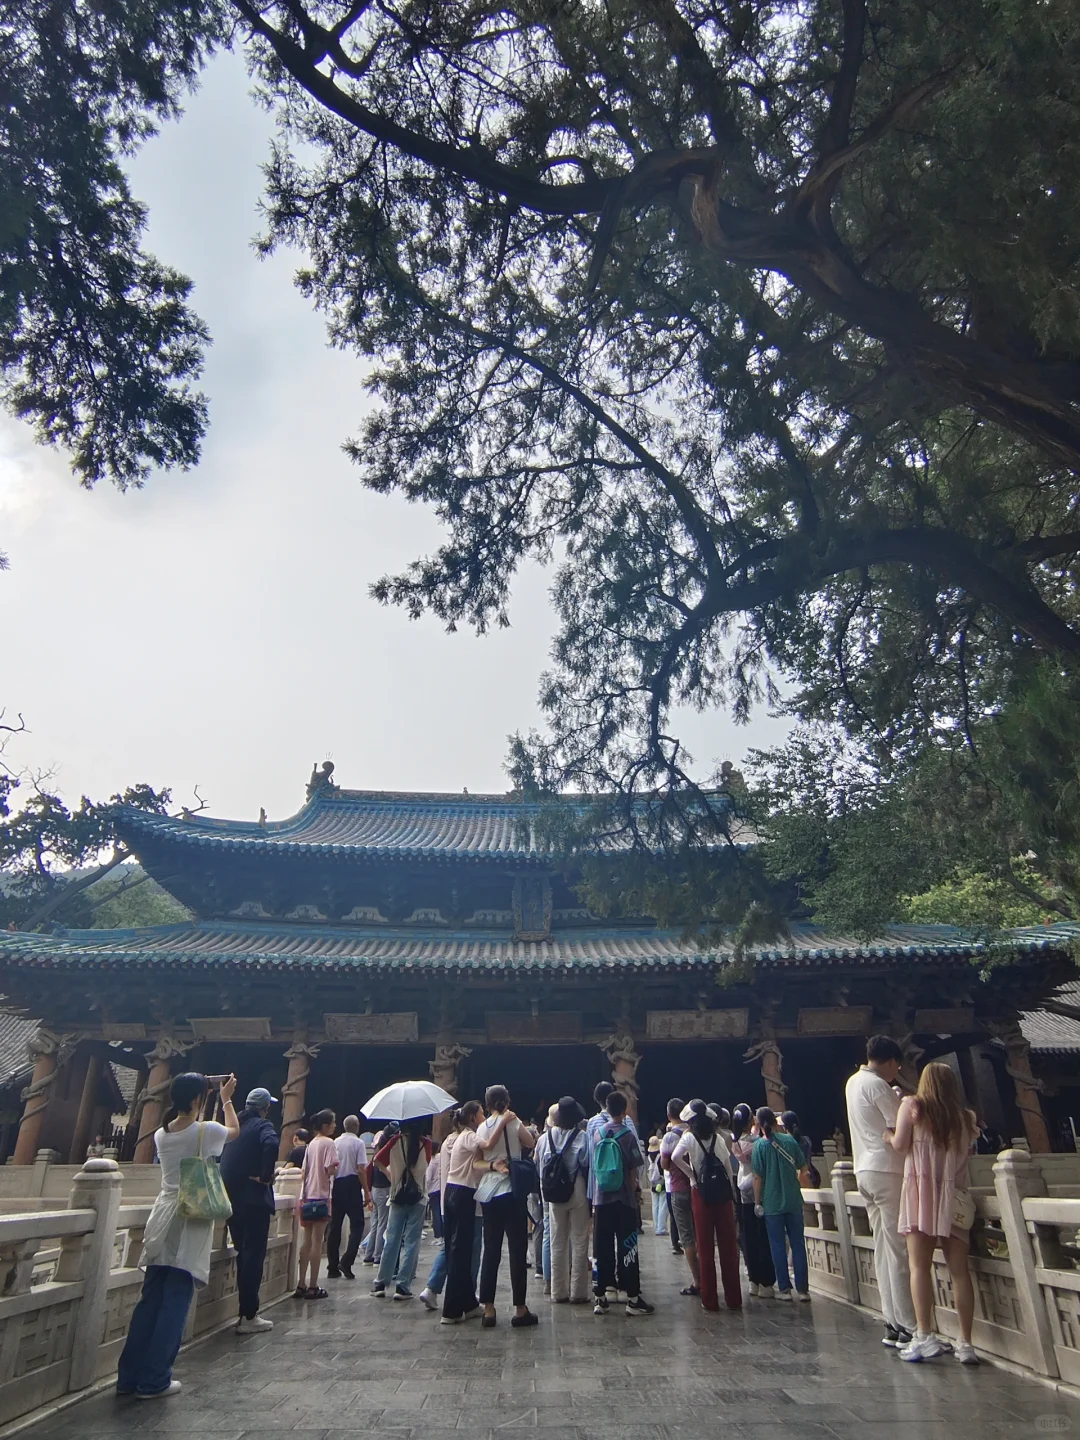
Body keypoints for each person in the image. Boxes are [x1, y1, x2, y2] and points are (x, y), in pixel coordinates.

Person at [117, 1072, 239, 1398]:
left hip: (162, 1215)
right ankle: (155, 1379)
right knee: (175, 1298)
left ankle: (128, 1378)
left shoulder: (161, 1133)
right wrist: (226, 1099)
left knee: (150, 1299)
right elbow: (234, 1131)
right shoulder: (206, 1131)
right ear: (198, 1099)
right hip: (190, 1215)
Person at [885, 1061, 980, 1365]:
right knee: (960, 1273)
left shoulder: (912, 1106)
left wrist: (888, 1136)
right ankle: (965, 1343)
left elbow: (901, 1145)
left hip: (920, 1195)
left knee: (919, 1267)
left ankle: (924, 1335)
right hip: (954, 1198)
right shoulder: (965, 1118)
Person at [845, 1036, 918, 1348]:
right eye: (897, 1066)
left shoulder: (853, 1082)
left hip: (863, 1169)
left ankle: (891, 1320)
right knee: (898, 1249)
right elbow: (901, 1125)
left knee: (883, 1247)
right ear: (890, 1061)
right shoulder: (877, 1085)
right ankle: (909, 1325)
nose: (896, 1072)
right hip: (886, 1170)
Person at [440, 1100, 510, 1324]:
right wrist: (503, 1122)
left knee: (459, 1249)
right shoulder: (470, 1136)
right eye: (481, 1114)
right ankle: (451, 1310)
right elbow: (488, 1144)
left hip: (453, 1191)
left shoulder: (462, 1137)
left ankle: (468, 1303)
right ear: (472, 1117)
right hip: (462, 1193)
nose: (484, 1118)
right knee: (460, 1251)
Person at [475, 1084, 538, 1327]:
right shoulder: (512, 1121)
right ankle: (520, 1308)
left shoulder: (482, 1126)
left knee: (491, 1249)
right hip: (512, 1189)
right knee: (517, 1250)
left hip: (489, 1190)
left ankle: (488, 1308)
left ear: (487, 1104)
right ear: (507, 1100)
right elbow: (529, 1142)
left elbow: (480, 1156)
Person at [220, 1085, 280, 1333]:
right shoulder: (263, 1126)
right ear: (265, 1108)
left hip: (232, 1201)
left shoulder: (235, 1127)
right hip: (254, 1200)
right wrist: (266, 1176)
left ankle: (245, 1311)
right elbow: (271, 1143)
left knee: (243, 1255)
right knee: (253, 1256)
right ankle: (248, 1315)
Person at [672, 1099, 741, 1312]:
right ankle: (733, 1298)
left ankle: (710, 1300)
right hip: (723, 1194)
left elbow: (675, 1157)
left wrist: (692, 1176)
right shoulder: (718, 1139)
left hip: (701, 1193)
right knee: (728, 1247)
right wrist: (731, 1192)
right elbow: (727, 1166)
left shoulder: (689, 1138)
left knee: (705, 1247)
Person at [591, 1090, 654, 1317]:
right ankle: (632, 1298)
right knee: (628, 1246)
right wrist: (635, 1190)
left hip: (601, 1198)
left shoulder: (597, 1134)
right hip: (623, 1199)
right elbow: (635, 1170)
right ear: (624, 1110)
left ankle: (600, 1297)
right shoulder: (627, 1136)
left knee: (601, 1246)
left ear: (607, 1109)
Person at [535, 1095, 590, 1304]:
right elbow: (586, 1162)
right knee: (579, 1240)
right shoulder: (582, 1137)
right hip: (576, 1188)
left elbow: (540, 1167)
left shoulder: (544, 1139)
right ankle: (578, 1292)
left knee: (557, 1240)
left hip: (553, 1194)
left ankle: (558, 1291)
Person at [752, 1106, 810, 1301]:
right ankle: (803, 1290)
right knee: (798, 1244)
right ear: (775, 1122)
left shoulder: (759, 1146)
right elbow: (803, 1167)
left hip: (772, 1203)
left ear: (758, 1124)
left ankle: (785, 1289)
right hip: (793, 1200)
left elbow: (757, 1177)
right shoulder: (789, 1140)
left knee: (777, 1246)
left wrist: (757, 1202)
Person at [373, 1118, 432, 1300]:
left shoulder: (394, 1141)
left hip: (397, 1195)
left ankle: (381, 1283)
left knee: (392, 1239)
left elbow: (377, 1160)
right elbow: (425, 1164)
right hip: (418, 1196)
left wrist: (391, 1175)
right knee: (412, 1241)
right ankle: (403, 1286)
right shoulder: (426, 1144)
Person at [730, 1103, 774, 1297]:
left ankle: (753, 1281)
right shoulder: (758, 1143)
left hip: (743, 1192)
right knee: (762, 1237)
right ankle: (766, 1282)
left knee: (747, 1237)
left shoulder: (734, 1143)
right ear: (750, 1121)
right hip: (759, 1193)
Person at [297, 1109, 337, 1299]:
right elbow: (330, 1169)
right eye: (333, 1123)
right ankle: (313, 1285)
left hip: (306, 1197)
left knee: (306, 1242)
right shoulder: (329, 1143)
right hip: (321, 1196)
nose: (335, 1126)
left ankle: (301, 1283)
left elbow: (304, 1171)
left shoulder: (311, 1144)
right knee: (317, 1242)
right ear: (325, 1126)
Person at [326, 1114, 371, 1280]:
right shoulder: (358, 1143)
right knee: (357, 1225)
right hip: (352, 1184)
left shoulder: (335, 1142)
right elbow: (361, 1169)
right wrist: (366, 1191)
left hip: (337, 1184)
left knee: (335, 1227)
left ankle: (332, 1267)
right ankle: (346, 1261)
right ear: (357, 1126)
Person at [660, 1097, 698, 1293]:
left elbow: (665, 1165)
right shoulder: (694, 1132)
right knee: (700, 1233)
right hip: (697, 1188)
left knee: (687, 1237)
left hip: (678, 1188)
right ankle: (707, 1278)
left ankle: (697, 1281)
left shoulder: (669, 1137)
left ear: (669, 1115)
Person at [363, 1121, 397, 1265]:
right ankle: (377, 1256)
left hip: (375, 1189)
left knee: (375, 1224)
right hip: (384, 1190)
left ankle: (368, 1255)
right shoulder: (388, 1153)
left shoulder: (377, 1151)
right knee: (383, 1224)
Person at [782, 1110, 820, 1186]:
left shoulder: (785, 1142)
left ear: (785, 1127)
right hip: (810, 1177)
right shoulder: (807, 1140)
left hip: (795, 1180)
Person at [647, 1136, 669, 1237]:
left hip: (653, 1182)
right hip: (662, 1182)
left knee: (655, 1205)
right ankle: (661, 1228)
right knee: (663, 1205)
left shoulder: (649, 1157)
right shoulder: (660, 1156)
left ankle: (656, 1226)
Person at [426, 1140, 443, 1240]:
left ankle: (438, 1236)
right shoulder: (441, 1158)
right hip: (441, 1188)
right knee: (441, 1212)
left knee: (435, 1213)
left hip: (433, 1190)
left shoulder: (431, 1162)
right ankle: (443, 1234)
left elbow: (428, 1179)